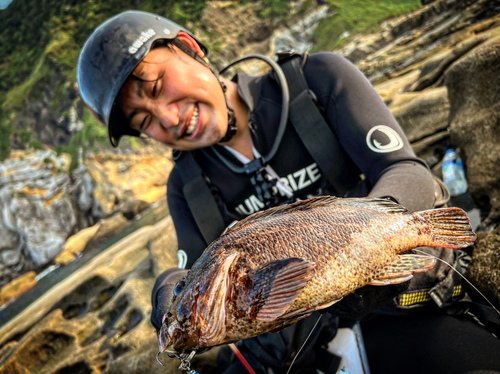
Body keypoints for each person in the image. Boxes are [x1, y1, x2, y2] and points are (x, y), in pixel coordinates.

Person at [77, 10, 500, 374]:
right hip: (310, 344)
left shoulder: (317, 79)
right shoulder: (186, 187)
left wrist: (370, 248)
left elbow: (404, 169)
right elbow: (190, 269)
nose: (166, 118)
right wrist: (167, 297)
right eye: (142, 122)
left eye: (154, 87)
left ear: (189, 46)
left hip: (399, 304)